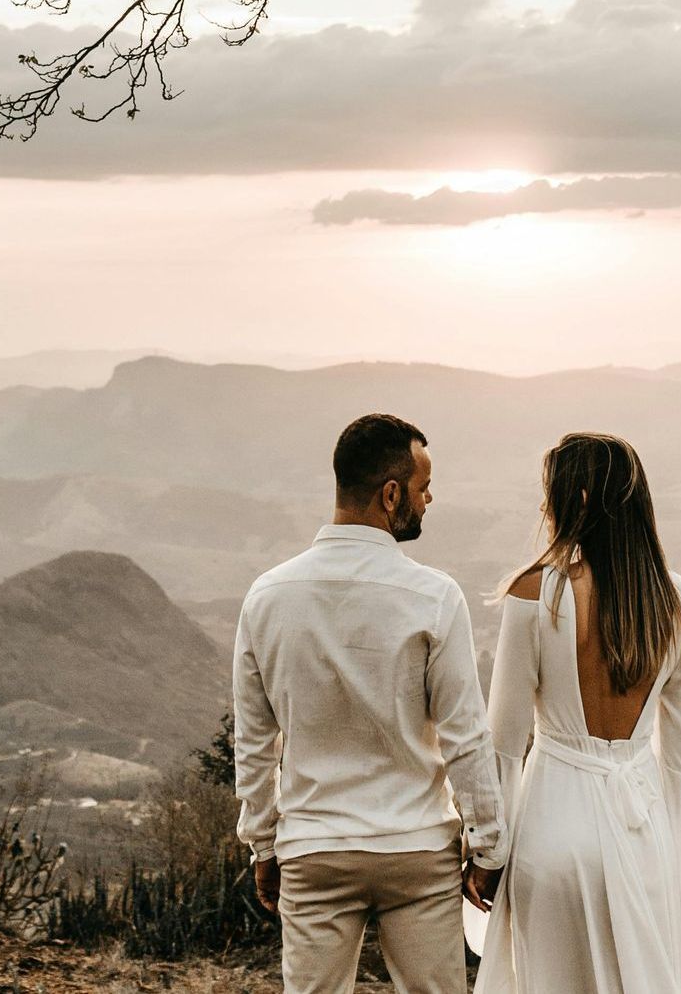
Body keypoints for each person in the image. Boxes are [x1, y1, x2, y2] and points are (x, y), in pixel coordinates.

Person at [232, 413, 506, 994]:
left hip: (315, 847)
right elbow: (465, 734)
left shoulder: (267, 596)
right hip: (416, 849)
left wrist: (263, 840)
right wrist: (487, 842)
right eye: (422, 486)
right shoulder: (434, 597)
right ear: (390, 494)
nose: (429, 499)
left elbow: (255, 742)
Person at [473, 432, 681, 994]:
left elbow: (502, 743)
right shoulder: (676, 601)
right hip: (644, 833)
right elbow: (679, 760)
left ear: (574, 502)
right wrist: (674, 861)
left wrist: (487, 851)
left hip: (553, 831)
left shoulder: (537, 592)